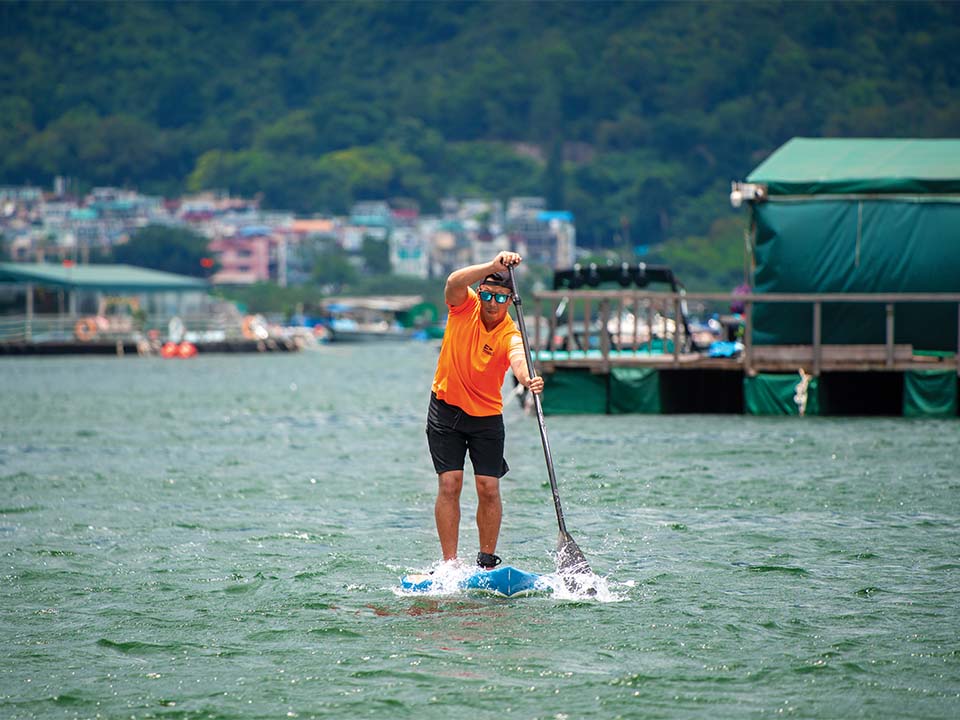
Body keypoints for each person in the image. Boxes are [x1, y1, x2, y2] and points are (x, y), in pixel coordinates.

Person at [427, 250, 544, 570]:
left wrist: (528, 379)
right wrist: (492, 266)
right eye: (488, 294)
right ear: (480, 293)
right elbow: (452, 281)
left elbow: (519, 358)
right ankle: (449, 565)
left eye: (500, 297)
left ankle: (486, 560)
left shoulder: (510, 333)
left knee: (488, 488)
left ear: (510, 301)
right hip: (446, 408)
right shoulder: (464, 306)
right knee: (450, 483)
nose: (492, 303)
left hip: (486, 417)